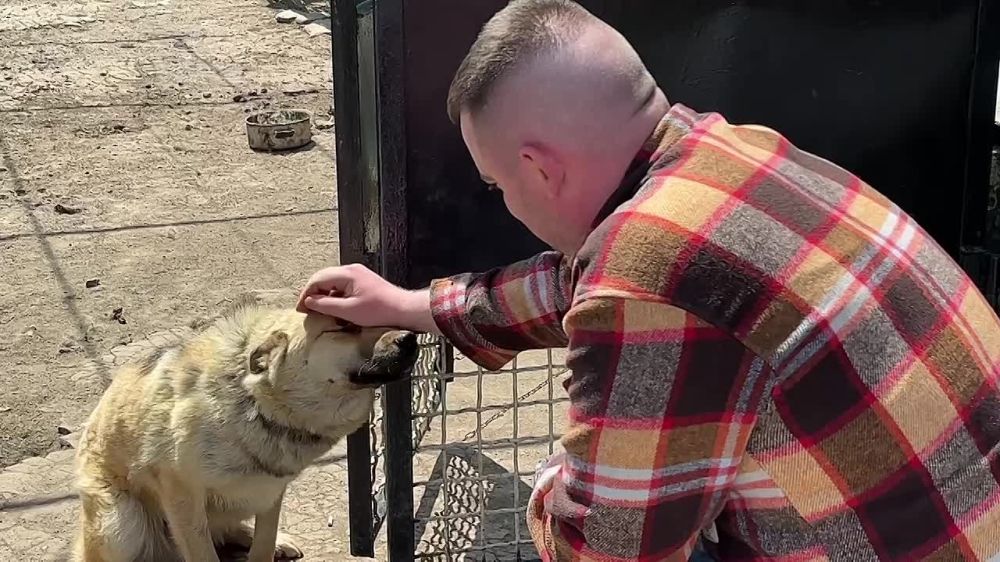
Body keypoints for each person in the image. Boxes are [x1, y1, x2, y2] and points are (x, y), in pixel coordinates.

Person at [298, 0, 1000, 560]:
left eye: (496, 184)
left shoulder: (647, 279)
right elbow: (584, 281)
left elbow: (603, 549)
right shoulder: (727, 154)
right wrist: (410, 305)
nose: (503, 200)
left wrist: (558, 478)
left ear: (538, 168)